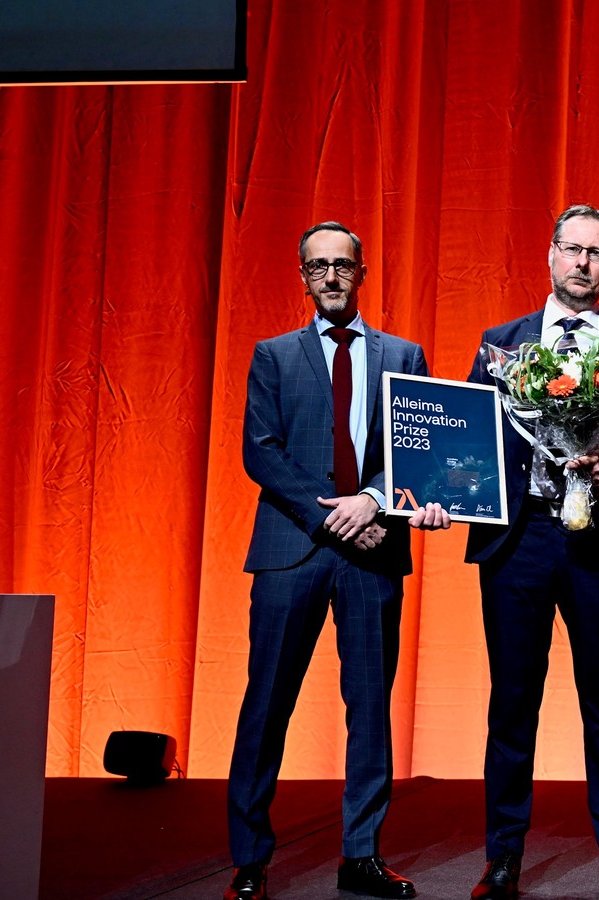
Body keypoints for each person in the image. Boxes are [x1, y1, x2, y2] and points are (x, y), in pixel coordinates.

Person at [412, 205, 599, 900]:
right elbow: (468, 436)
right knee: (512, 702)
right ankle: (503, 856)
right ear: (550, 254)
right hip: (520, 540)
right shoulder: (500, 344)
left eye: (598, 253)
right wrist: (443, 491)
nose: (584, 263)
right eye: (573, 249)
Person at [225, 222, 430, 900]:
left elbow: (418, 454)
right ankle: (250, 858)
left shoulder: (405, 354)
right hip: (294, 551)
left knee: (370, 709)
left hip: (373, 553)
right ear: (304, 276)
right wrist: (331, 518)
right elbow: (263, 453)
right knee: (267, 704)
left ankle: (361, 855)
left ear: (363, 271)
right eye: (319, 267)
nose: (332, 277)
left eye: (343, 265)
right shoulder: (274, 356)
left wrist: (373, 501)